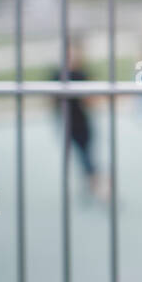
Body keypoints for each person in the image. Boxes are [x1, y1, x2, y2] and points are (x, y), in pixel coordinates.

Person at [50, 35, 109, 202]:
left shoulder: (81, 73)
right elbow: (52, 100)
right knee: (83, 156)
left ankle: (96, 184)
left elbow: (91, 99)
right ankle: (95, 184)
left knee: (86, 155)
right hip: (67, 123)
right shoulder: (58, 73)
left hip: (82, 122)